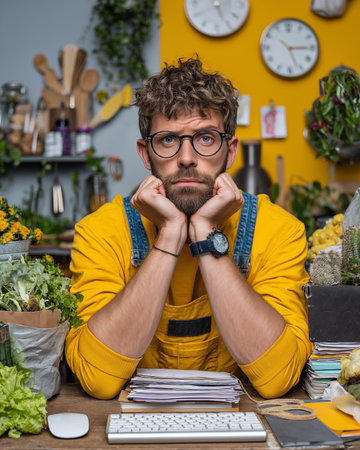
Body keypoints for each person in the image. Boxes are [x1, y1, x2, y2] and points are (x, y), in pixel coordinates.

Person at [65, 57, 313, 400]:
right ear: (145, 153)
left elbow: (277, 378)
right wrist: (169, 236)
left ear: (229, 151)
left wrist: (205, 235)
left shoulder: (279, 230)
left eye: (206, 138)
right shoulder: (101, 231)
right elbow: (98, 379)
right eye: (168, 140)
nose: (186, 157)